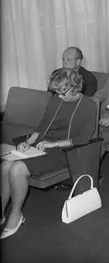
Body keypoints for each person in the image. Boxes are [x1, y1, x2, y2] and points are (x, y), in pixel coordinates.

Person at [1, 68, 97, 239]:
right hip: (43, 145)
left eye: (62, 92)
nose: (58, 96)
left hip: (65, 151)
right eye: (56, 92)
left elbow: (84, 138)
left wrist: (54, 144)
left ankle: (16, 214)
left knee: (17, 169)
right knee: (5, 165)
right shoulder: (56, 100)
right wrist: (28, 142)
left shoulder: (88, 105)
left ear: (75, 87)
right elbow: (43, 125)